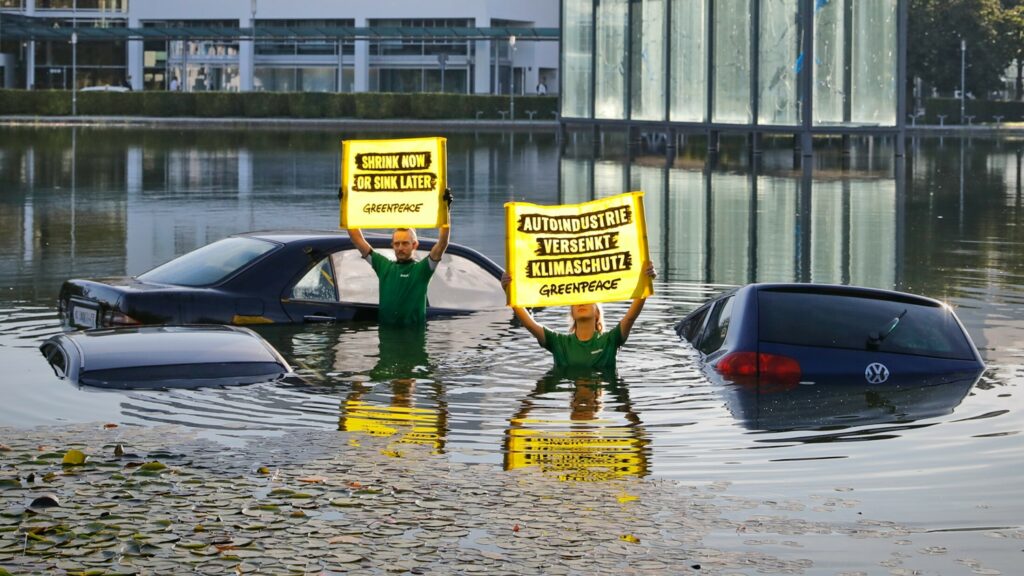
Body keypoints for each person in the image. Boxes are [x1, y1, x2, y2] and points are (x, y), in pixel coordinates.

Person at [501, 262, 656, 371]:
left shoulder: (610, 340)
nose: (581, 302)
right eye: (576, 302)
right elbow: (529, 324)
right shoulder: (559, 342)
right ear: (572, 314)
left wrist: (645, 282)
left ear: (597, 313)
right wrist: (509, 291)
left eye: (588, 300)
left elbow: (630, 318)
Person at [346, 191, 452, 326]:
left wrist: (445, 210)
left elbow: (443, 242)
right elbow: (357, 238)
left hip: (414, 340)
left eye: (405, 243)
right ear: (392, 245)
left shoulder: (423, 269)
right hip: (387, 339)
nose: (400, 248)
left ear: (415, 245)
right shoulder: (383, 266)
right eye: (397, 244)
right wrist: (347, 204)